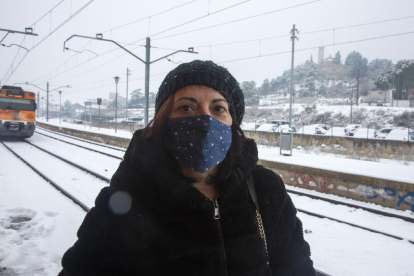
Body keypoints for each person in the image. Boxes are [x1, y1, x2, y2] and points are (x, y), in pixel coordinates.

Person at [59, 60, 316, 276]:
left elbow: (298, 268)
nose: (204, 120)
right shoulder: (128, 196)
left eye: (218, 108)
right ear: (163, 121)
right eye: (186, 107)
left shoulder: (264, 189)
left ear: (232, 124)